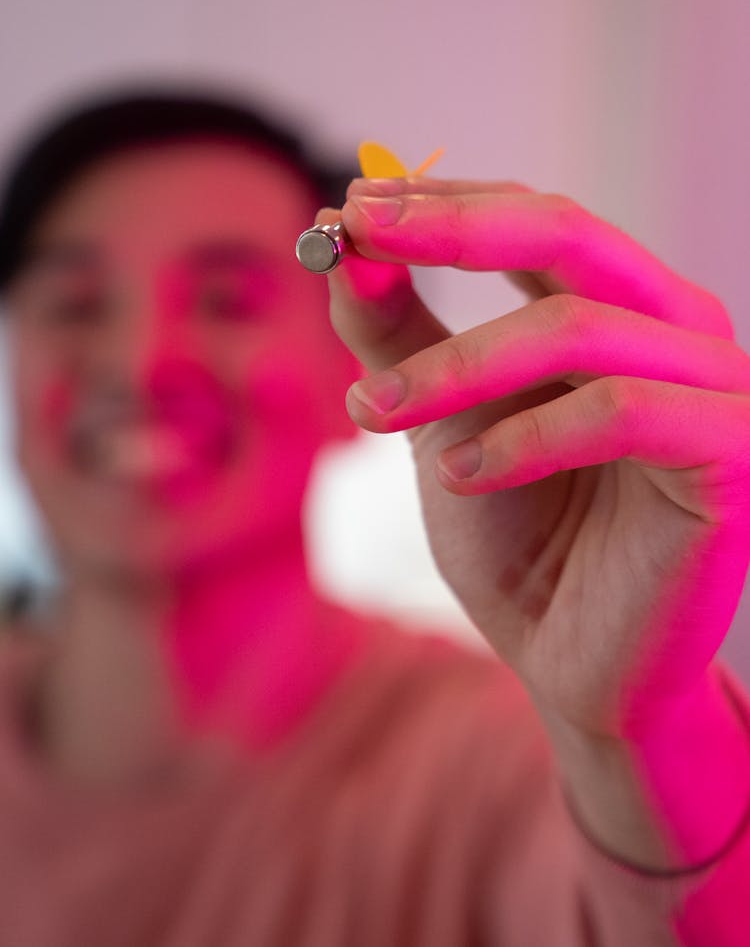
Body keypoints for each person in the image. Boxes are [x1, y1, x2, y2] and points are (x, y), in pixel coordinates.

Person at [0, 85, 748, 947]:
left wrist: (636, 733)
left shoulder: (490, 765)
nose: (140, 365)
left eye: (226, 300)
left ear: (344, 368)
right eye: (77, 303)